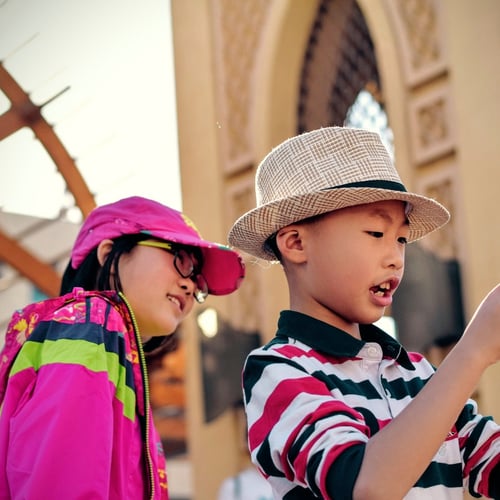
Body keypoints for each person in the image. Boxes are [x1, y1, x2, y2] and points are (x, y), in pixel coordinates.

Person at [228, 126, 500, 499]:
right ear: (295, 243)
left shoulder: (418, 374)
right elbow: (364, 487)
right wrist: (473, 352)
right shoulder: (277, 370)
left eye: (401, 239)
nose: (395, 257)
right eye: (376, 233)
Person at [0, 195, 245, 499]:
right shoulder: (89, 324)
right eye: (181, 259)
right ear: (109, 252)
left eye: (198, 281)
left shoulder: (105, 341)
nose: (191, 285)